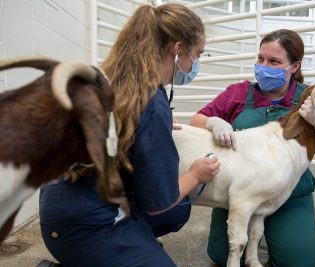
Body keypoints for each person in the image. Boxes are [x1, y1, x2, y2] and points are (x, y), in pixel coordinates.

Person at [39, 3, 220, 267]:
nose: (196, 64)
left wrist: (147, 130)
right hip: (84, 223)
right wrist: (195, 174)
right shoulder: (151, 101)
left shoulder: (107, 81)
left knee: (176, 213)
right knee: (173, 207)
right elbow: (159, 204)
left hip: (57, 209)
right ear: (178, 49)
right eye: (197, 55)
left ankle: (122, 247)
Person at [190, 29, 315, 267]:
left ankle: (276, 231)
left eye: (274, 61)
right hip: (238, 192)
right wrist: (213, 122)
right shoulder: (238, 93)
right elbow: (197, 120)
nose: (264, 66)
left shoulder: (311, 98)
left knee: (301, 262)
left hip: (289, 194)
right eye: (260, 58)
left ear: (294, 67)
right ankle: (253, 235)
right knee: (224, 255)